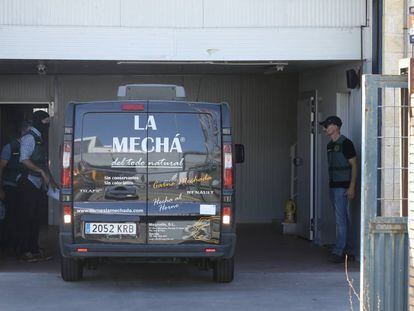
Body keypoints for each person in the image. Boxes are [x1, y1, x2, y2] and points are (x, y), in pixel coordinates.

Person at [18, 111, 56, 262]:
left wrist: (52, 180)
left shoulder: (39, 137)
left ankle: (34, 248)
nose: (48, 124)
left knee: (36, 218)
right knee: (27, 218)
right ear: (40, 120)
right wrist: (40, 171)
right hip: (28, 183)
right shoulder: (29, 138)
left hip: (38, 184)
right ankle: (25, 251)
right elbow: (24, 160)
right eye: (47, 120)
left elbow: (43, 162)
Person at [319, 116, 357, 263]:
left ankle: (339, 251)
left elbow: (354, 165)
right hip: (333, 186)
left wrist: (351, 186)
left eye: (327, 126)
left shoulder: (346, 144)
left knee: (341, 221)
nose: (324, 129)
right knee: (343, 220)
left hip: (342, 187)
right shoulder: (329, 145)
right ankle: (350, 250)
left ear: (335, 127)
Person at [0, 121, 31, 254]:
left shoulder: (30, 147)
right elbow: (1, 168)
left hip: (24, 187)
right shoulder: (10, 147)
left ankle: (21, 246)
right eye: (29, 132)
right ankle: (9, 247)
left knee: (22, 217)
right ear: (23, 132)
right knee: (11, 218)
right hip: (10, 187)